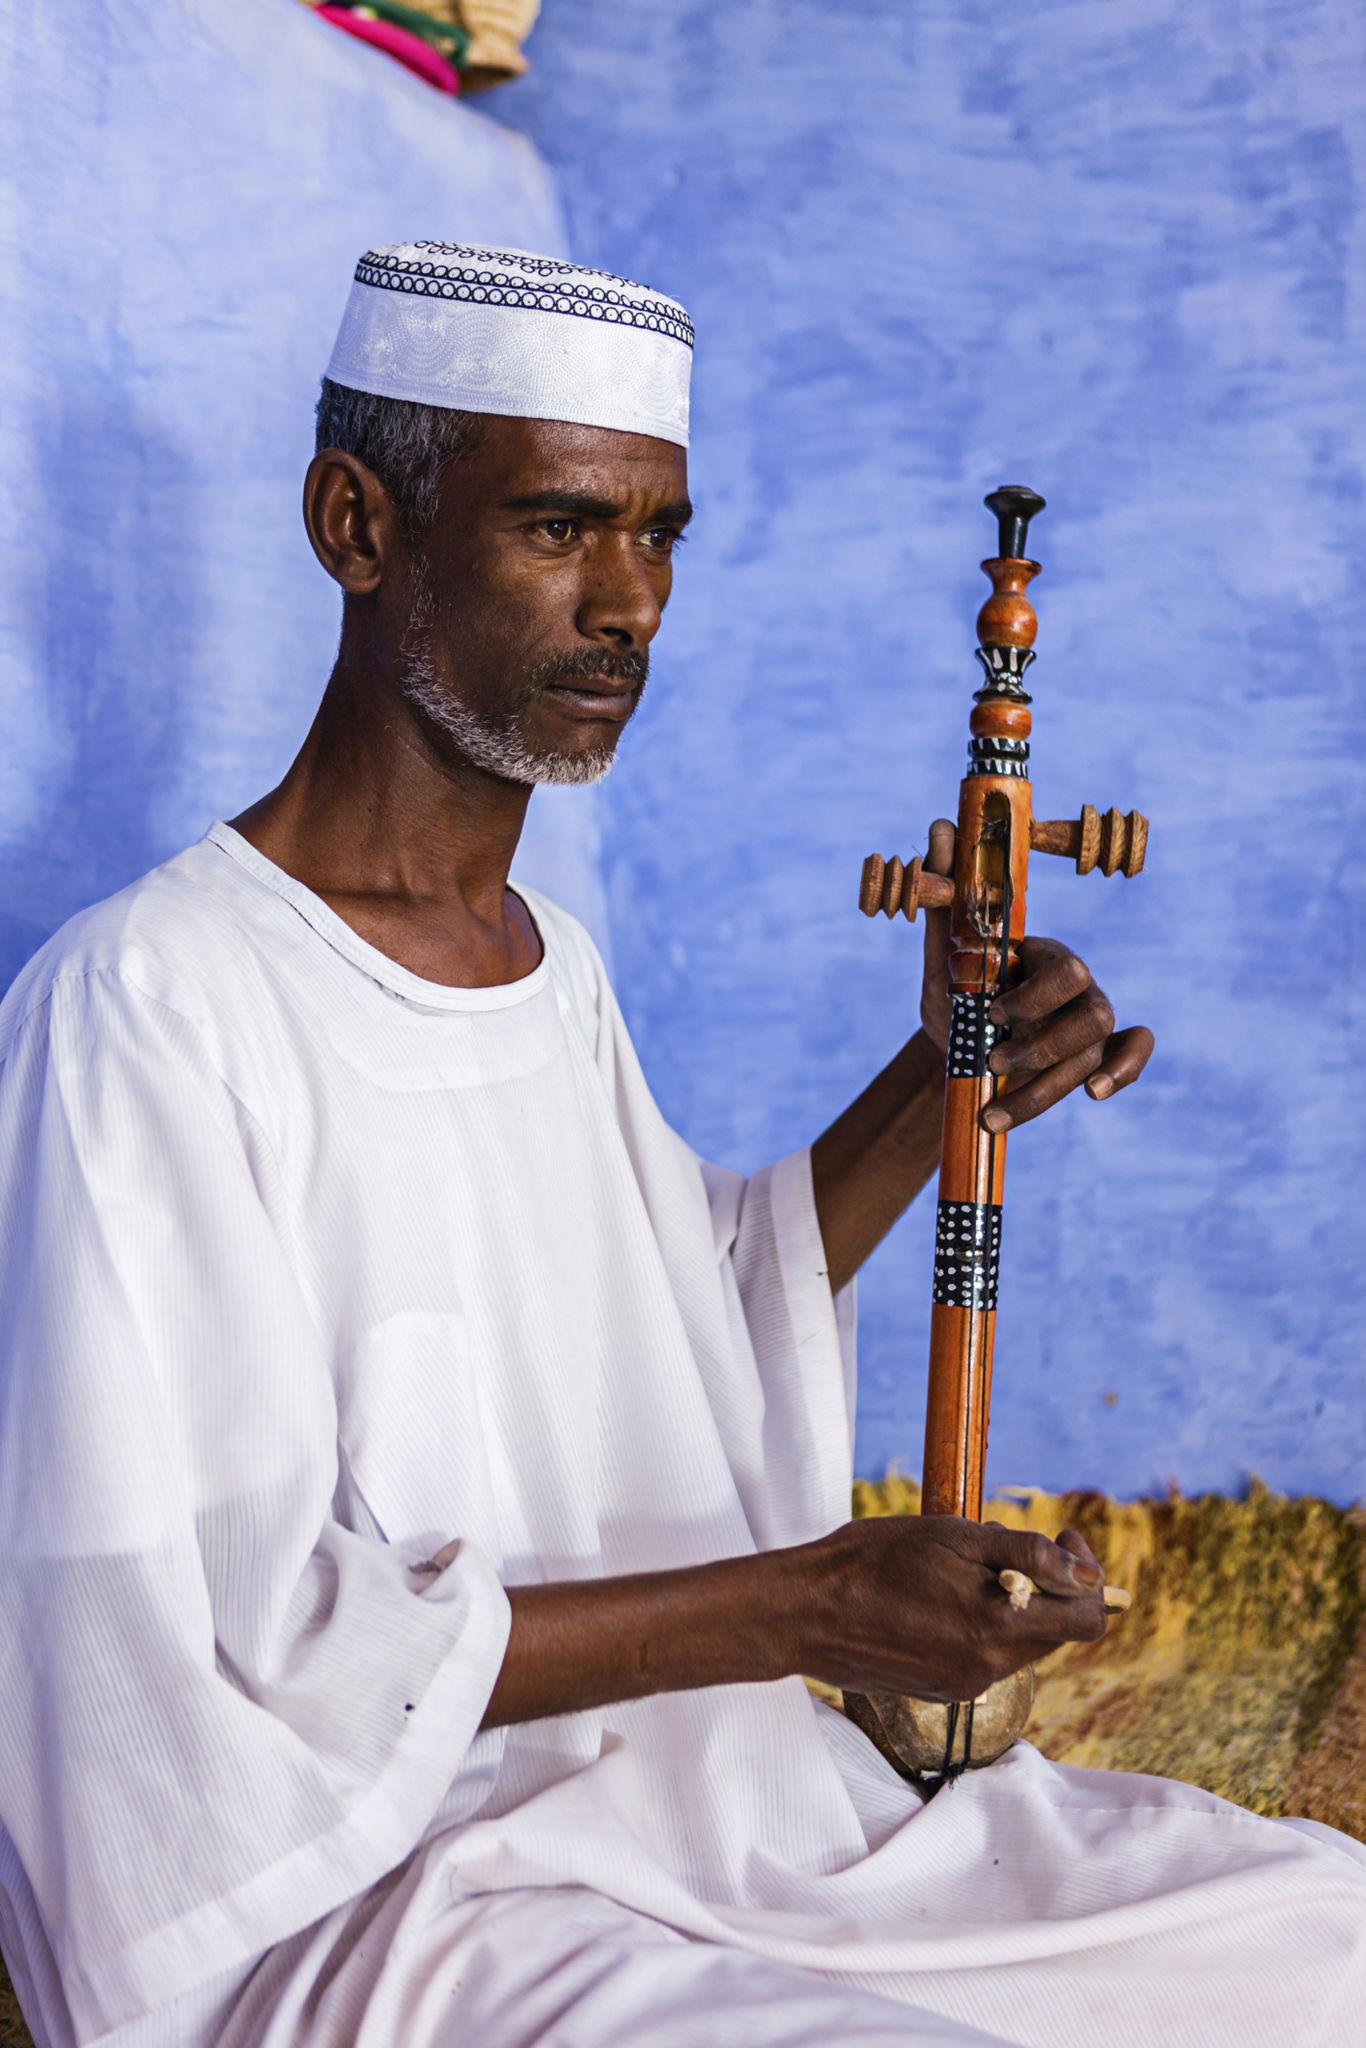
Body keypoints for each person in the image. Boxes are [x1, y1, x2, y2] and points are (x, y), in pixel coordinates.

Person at [0, 242, 1359, 2048]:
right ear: (356, 523)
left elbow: (667, 1324)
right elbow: (236, 1645)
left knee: (1314, 1941)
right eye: (559, 528)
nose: (629, 603)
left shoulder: (548, 968)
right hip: (394, 1906)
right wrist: (811, 1602)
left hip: (714, 1816)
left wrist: (939, 1073)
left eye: (661, 538)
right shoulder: (146, 1005)